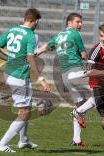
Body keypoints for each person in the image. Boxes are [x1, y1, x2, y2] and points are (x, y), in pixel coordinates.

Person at [0, 8, 50, 152]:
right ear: (35, 21)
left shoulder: (11, 30)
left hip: (9, 73)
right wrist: (41, 79)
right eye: (37, 23)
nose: (37, 25)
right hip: (19, 76)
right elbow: (30, 58)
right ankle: (2, 145)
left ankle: (23, 140)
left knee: (25, 109)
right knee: (24, 112)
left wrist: (9, 58)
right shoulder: (31, 35)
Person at [37, 12, 95, 147]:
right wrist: (90, 67)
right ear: (69, 23)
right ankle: (77, 113)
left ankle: (76, 139)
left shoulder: (58, 36)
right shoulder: (75, 34)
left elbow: (46, 47)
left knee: (80, 104)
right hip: (76, 72)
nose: (80, 24)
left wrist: (34, 54)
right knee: (99, 95)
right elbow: (84, 54)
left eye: (81, 22)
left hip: (65, 77)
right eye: (77, 22)